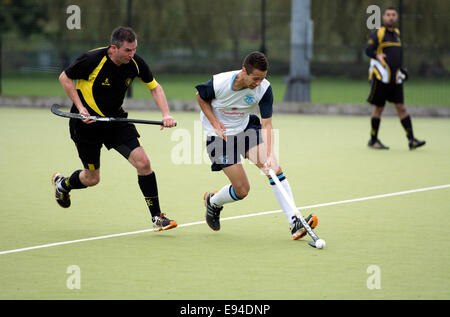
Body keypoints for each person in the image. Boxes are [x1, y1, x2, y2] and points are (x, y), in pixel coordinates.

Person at [52, 26, 178, 232]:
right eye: (128, 50)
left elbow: (155, 87)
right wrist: (81, 108)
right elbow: (64, 78)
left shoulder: (136, 64)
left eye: (134, 49)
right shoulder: (92, 59)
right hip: (86, 126)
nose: (132, 54)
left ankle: (157, 217)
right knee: (92, 178)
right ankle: (63, 185)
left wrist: (166, 114)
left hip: (115, 121)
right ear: (113, 48)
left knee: (143, 163)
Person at [195, 51, 318, 240]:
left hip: (246, 130)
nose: (258, 83)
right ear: (244, 71)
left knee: (274, 169)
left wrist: (268, 155)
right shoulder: (220, 83)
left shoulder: (264, 89)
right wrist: (213, 121)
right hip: (220, 139)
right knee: (242, 190)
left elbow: (267, 124)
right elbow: (200, 97)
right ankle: (213, 201)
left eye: (262, 78)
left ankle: (294, 222)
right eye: (255, 78)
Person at [365, 6, 425, 150]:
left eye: (393, 15)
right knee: (379, 108)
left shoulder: (397, 34)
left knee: (401, 107)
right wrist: (376, 56)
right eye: (388, 15)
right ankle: (373, 140)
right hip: (382, 77)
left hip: (395, 78)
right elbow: (367, 50)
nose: (390, 17)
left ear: (396, 17)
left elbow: (396, 55)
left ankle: (412, 140)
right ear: (384, 17)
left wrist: (402, 69)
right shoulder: (378, 33)